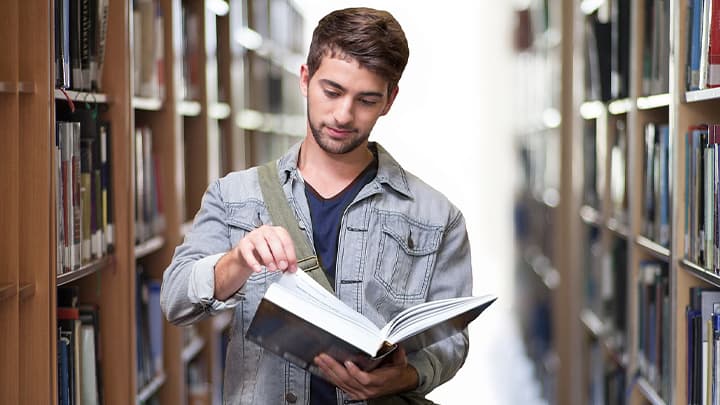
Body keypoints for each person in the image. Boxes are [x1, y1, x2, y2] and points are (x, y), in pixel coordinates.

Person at [161, 7, 473, 404]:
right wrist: (236, 261)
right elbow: (175, 300)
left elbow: (451, 343)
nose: (343, 114)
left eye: (366, 100)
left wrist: (407, 376)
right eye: (333, 91)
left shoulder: (437, 217)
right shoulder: (234, 195)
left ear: (389, 100)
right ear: (305, 79)